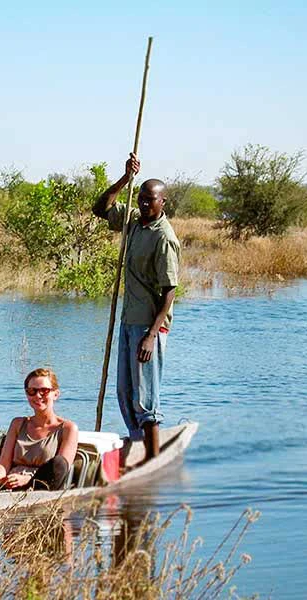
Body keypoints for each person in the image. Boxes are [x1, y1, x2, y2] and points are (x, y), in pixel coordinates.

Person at [92, 153, 181, 461]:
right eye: (141, 198)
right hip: (129, 320)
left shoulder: (163, 237)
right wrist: (125, 179)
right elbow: (100, 208)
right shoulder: (133, 221)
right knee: (124, 393)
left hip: (149, 325)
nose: (144, 204)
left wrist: (151, 336)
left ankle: (153, 461)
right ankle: (138, 449)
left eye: (150, 200)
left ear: (163, 203)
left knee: (144, 398)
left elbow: (169, 291)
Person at [0, 368, 79, 491]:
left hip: (43, 486)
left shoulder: (68, 428)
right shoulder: (17, 424)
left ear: (55, 394)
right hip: (11, 484)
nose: (38, 396)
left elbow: (61, 470)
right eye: (32, 391)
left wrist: (27, 479)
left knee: (59, 463)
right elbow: (4, 463)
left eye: (44, 391)